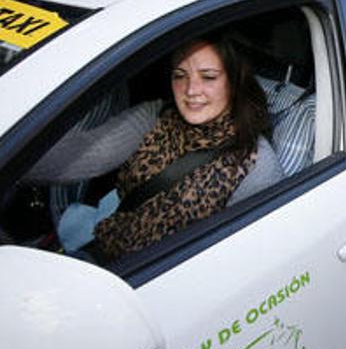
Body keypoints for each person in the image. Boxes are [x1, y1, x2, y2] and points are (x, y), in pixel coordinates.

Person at [26, 37, 284, 260]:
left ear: (235, 82)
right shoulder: (157, 115)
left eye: (208, 77)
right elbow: (83, 155)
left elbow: (239, 259)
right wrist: (15, 159)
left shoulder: (255, 165)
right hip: (101, 247)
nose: (191, 90)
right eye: (180, 75)